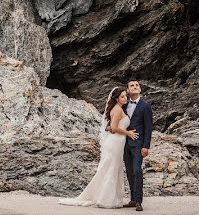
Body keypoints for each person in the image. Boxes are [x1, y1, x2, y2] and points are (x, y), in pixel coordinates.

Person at [59, 87, 138, 209]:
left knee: (113, 168)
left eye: (125, 96)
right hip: (115, 142)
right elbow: (114, 128)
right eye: (122, 96)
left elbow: (109, 128)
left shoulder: (118, 109)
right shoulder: (117, 110)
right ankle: (107, 200)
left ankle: (112, 198)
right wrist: (128, 133)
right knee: (112, 168)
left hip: (118, 142)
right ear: (116, 99)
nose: (125, 98)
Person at [123, 80, 153, 211]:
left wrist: (146, 146)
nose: (135, 87)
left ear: (140, 89)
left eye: (137, 85)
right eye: (132, 86)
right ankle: (133, 199)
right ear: (128, 91)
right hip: (124, 144)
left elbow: (148, 128)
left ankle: (139, 201)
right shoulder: (123, 105)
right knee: (129, 172)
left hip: (138, 144)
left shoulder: (145, 106)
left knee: (136, 170)